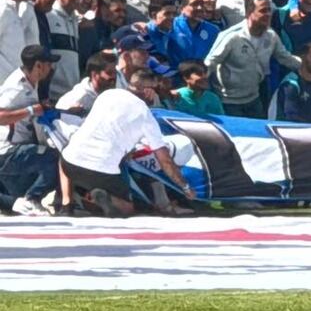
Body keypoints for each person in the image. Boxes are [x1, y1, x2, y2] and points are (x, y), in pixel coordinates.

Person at [60, 87, 195, 218]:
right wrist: (185, 187)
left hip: (70, 165)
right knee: (127, 208)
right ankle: (103, 199)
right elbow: (165, 161)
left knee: (65, 154)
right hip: (103, 171)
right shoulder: (146, 117)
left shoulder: (108, 94)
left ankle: (67, 203)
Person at [205, 0, 302, 118]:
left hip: (254, 99)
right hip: (229, 102)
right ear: (249, 13)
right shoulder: (232, 36)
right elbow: (211, 63)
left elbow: (285, 58)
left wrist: (308, 67)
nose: (268, 14)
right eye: (262, 11)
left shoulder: (271, 36)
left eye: (269, 10)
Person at [0, 46, 60, 216]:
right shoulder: (16, 88)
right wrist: (32, 110)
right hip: (8, 151)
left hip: (20, 148)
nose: (52, 68)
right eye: (49, 64)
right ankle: (31, 199)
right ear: (38, 65)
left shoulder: (31, 81)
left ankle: (18, 200)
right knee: (54, 158)